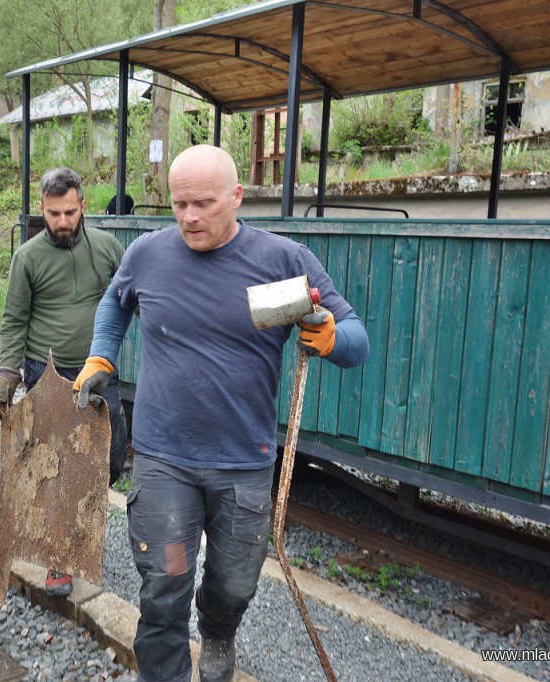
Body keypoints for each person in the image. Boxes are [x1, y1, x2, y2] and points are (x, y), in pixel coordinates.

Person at [74, 144, 369, 682]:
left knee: (234, 585)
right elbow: (115, 304)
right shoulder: (147, 254)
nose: (189, 217)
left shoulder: (284, 262)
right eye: (179, 204)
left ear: (237, 197)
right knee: (164, 590)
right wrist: (101, 353)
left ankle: (218, 632)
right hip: (164, 460)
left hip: (244, 461)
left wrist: (328, 337)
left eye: (204, 203)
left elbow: (357, 340)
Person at [0, 167, 129, 598]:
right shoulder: (28, 257)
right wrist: (7, 374)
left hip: (99, 372)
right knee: (54, 467)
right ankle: (58, 559)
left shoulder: (107, 249)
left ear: (83, 206)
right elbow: (14, 321)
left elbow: (133, 299)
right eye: (53, 214)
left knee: (113, 455)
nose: (63, 222)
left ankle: (75, 516)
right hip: (45, 374)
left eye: (70, 212)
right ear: (42, 209)